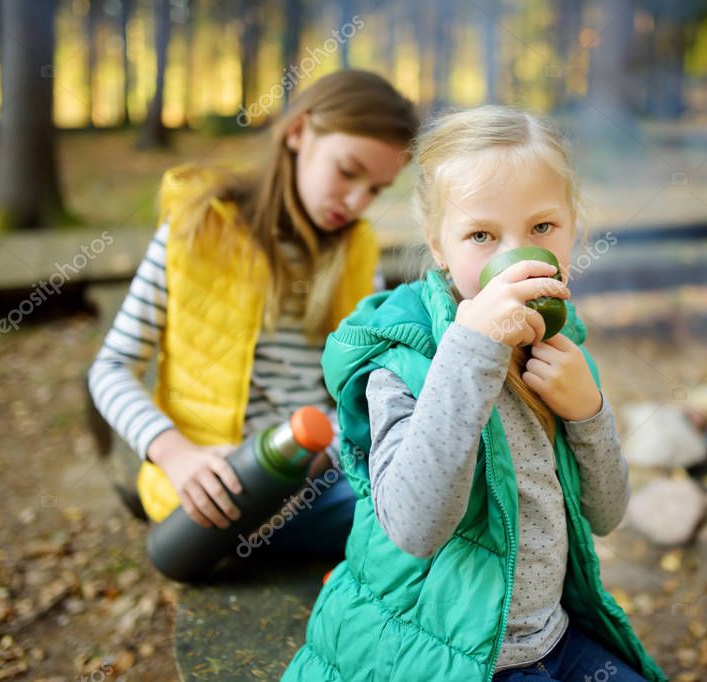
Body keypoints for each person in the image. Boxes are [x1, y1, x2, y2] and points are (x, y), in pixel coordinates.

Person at [282, 106, 665, 680]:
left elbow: (606, 515)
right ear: (438, 246)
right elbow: (416, 529)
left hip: (550, 639)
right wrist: (473, 350)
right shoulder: (403, 361)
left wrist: (589, 412)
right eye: (481, 235)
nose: (517, 256)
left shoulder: (559, 348)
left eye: (542, 228)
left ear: (574, 227)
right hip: (441, 655)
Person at [87, 69, 418, 560]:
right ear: (298, 131)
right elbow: (111, 368)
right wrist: (175, 454)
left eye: (375, 190)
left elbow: (361, 386)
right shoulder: (198, 227)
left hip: (319, 484)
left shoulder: (356, 252)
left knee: (427, 500)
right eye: (348, 172)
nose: (356, 202)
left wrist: (327, 450)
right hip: (208, 492)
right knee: (414, 517)